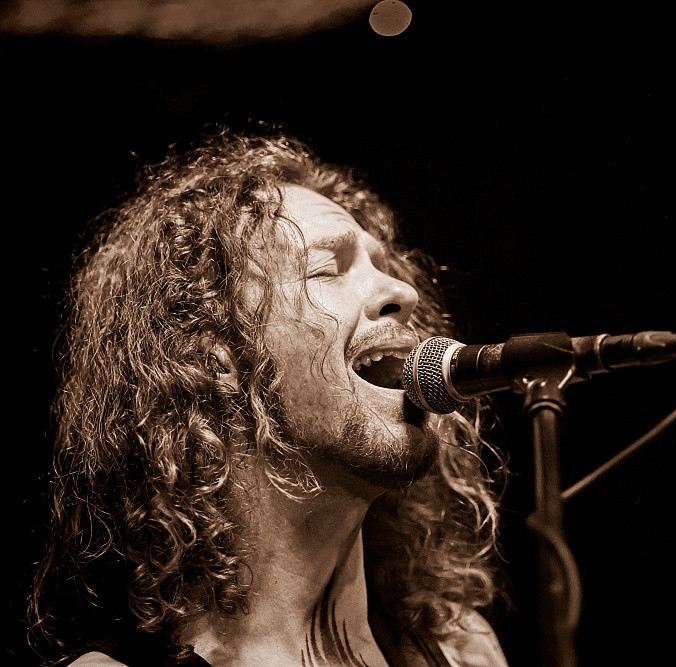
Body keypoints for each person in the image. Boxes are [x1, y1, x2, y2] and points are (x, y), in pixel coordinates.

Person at [27, 123, 512, 667]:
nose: (403, 292)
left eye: (384, 267)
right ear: (216, 351)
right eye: (327, 269)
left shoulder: (462, 650)